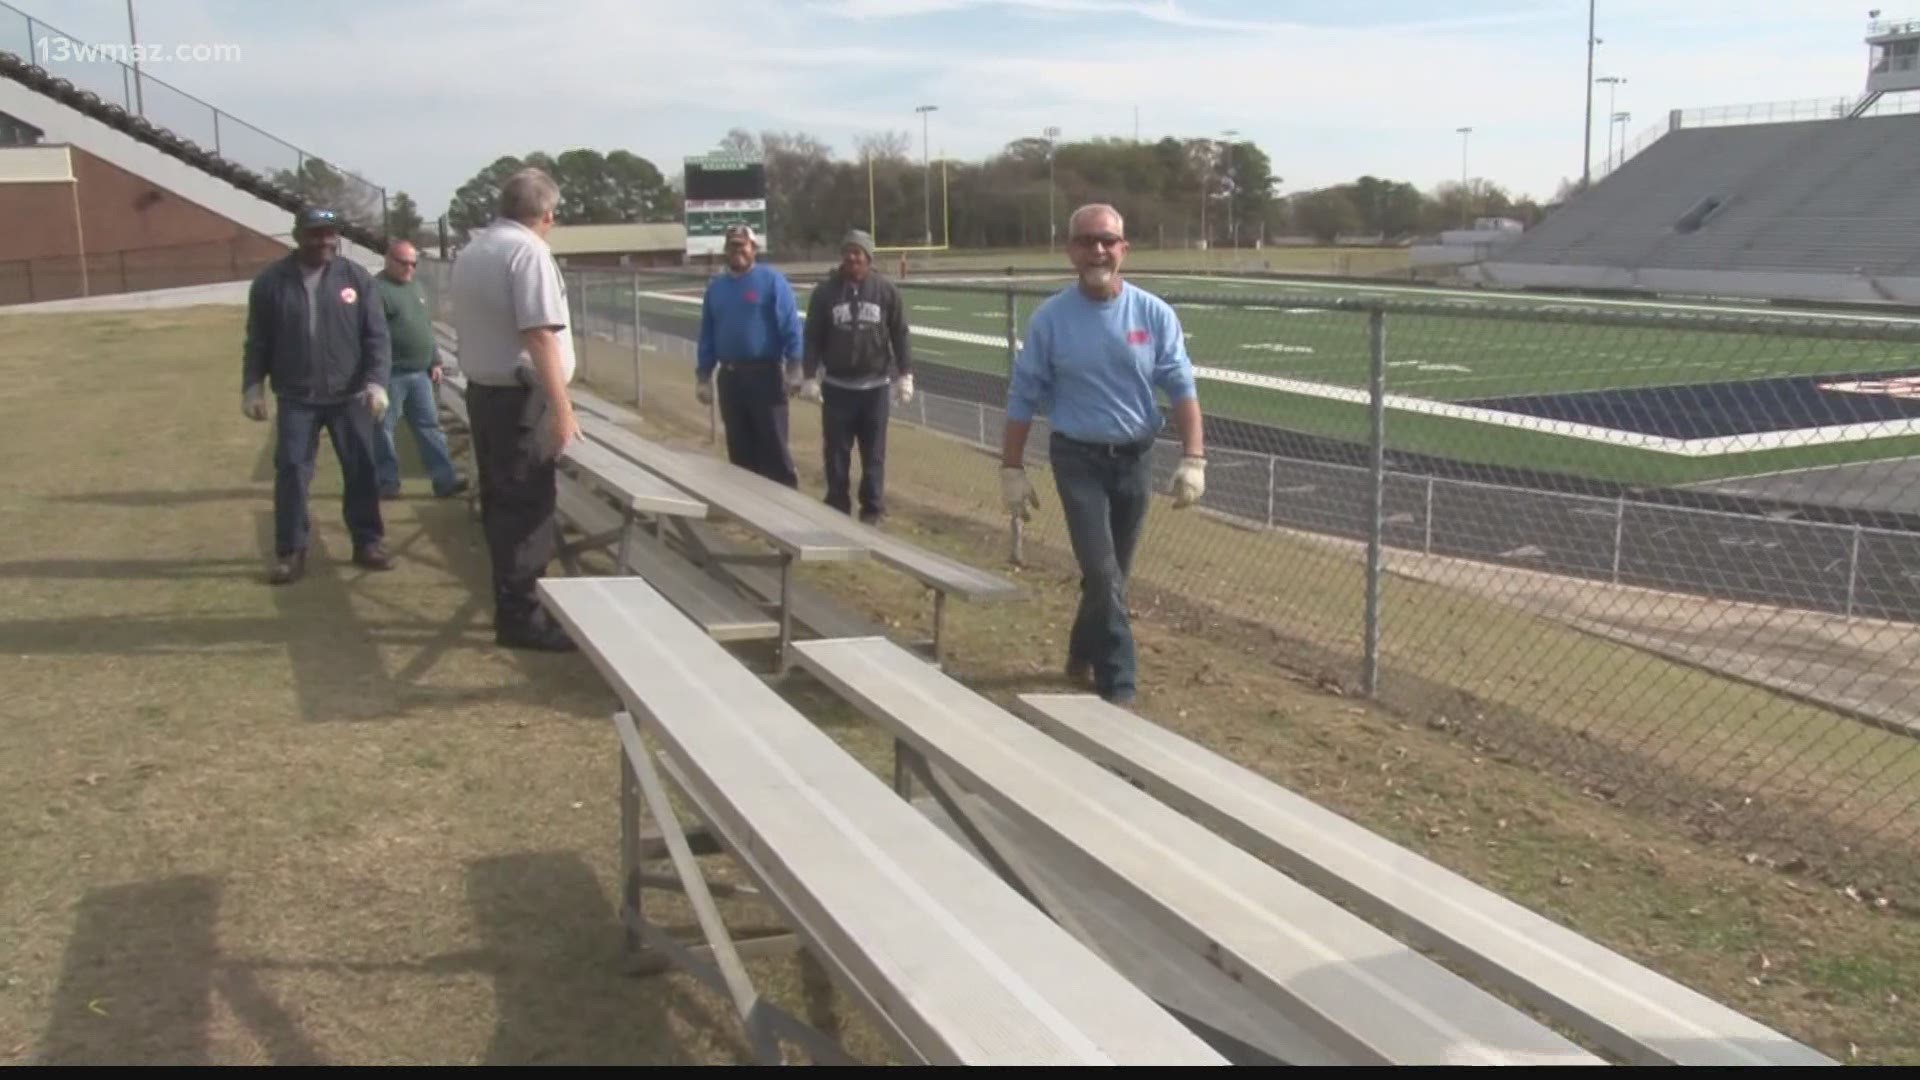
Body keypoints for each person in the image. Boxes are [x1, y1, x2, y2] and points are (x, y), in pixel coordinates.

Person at [999, 204, 1208, 707]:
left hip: (1134, 458)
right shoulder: (1051, 320)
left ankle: (1081, 651)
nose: (1098, 250)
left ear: (1124, 249)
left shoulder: (1153, 314)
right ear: (1071, 250)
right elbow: (1023, 395)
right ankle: (1119, 684)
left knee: (1111, 574)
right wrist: (1011, 468)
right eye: (1087, 241)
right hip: (1078, 461)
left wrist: (1194, 457)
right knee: (1104, 571)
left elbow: (1181, 387)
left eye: (1108, 241)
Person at [448, 167, 582, 652]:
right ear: (546, 214)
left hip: (485, 392)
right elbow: (540, 332)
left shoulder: (475, 250)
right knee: (527, 508)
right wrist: (563, 410)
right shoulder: (527, 252)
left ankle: (514, 607)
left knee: (502, 506)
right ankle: (523, 618)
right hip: (520, 397)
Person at [242, 205, 394, 585]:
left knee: (361, 469)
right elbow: (258, 341)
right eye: (315, 234)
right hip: (297, 396)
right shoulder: (270, 283)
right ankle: (291, 551)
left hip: (350, 396)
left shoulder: (355, 278)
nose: (323, 241)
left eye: (330, 234)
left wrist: (376, 383)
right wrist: (252, 386)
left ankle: (367, 542)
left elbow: (376, 337)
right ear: (298, 236)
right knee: (292, 470)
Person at [799, 229, 913, 524]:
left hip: (874, 388)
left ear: (868, 258)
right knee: (836, 454)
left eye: (858, 253)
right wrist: (809, 376)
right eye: (848, 251)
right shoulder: (825, 293)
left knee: (873, 454)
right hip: (837, 388)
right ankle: (836, 507)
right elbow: (812, 337)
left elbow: (900, 334)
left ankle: (872, 510)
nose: (852, 257)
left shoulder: (886, 291)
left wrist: (905, 374)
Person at [695, 224, 805, 487]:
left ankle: (785, 505)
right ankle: (747, 508)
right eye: (732, 246)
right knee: (739, 446)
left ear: (754, 249)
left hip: (764, 375)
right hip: (731, 378)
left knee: (774, 445)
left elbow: (790, 324)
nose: (737, 251)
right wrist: (703, 375)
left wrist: (795, 364)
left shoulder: (771, 281)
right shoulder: (716, 289)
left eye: (742, 245)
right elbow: (707, 334)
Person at [371, 240, 468, 500]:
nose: (409, 268)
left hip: (421, 373)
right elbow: (372, 335)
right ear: (388, 260)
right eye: (403, 263)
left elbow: (425, 327)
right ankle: (387, 482)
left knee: (429, 426)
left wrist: (434, 359)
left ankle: (444, 481)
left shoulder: (416, 287)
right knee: (383, 428)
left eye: (414, 263)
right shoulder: (377, 290)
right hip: (391, 374)